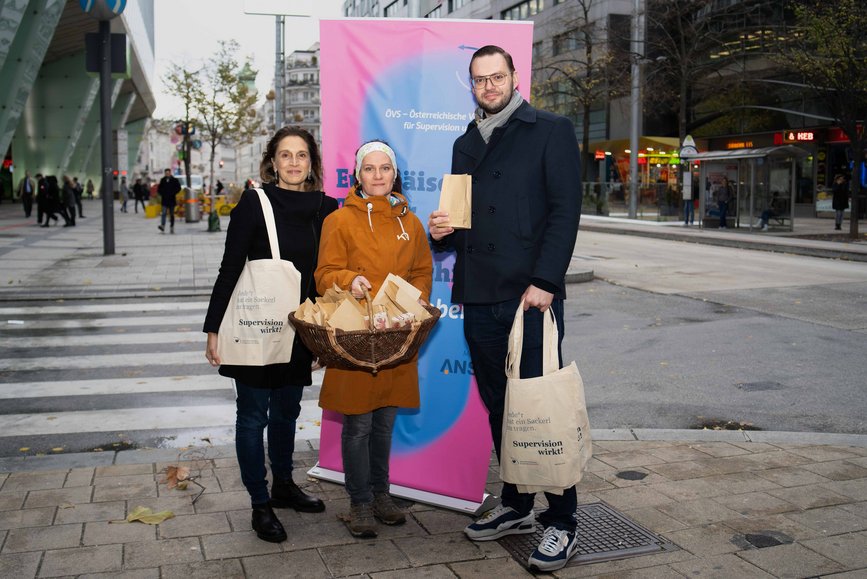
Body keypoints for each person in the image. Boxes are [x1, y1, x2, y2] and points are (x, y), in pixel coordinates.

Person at [428, 45, 582, 572]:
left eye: (497, 77)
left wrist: (545, 280)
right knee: (501, 407)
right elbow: (462, 225)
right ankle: (517, 504)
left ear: (515, 77)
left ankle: (562, 521)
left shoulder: (550, 129)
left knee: (542, 406)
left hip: (530, 297)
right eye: (479, 79)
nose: (489, 86)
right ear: (470, 85)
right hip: (479, 296)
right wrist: (442, 233)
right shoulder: (464, 143)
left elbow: (565, 211)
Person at [203, 126, 337, 544]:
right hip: (255, 326)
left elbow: (328, 275)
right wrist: (213, 327)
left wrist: (323, 334)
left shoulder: (327, 208)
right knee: (252, 415)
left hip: (299, 327)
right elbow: (230, 267)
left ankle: (283, 485)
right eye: (285, 155)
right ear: (272, 162)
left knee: (287, 412)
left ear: (312, 162)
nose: (294, 162)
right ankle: (259, 504)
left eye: (301, 155)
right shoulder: (253, 203)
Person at [315, 140, 433, 539]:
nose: (378, 175)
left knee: (384, 423)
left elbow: (422, 271)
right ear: (358, 174)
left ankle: (382, 494)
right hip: (355, 338)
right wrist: (350, 280)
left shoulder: (411, 223)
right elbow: (324, 274)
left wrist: (414, 302)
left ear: (394, 174)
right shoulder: (339, 221)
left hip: (395, 336)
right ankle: (359, 503)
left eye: (385, 168)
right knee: (358, 426)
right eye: (370, 168)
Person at [157, 169, 180, 233]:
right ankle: (162, 225)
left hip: (171, 199)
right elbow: (159, 189)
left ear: (170, 173)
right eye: (166, 173)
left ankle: (172, 226)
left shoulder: (174, 180)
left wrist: (173, 193)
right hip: (164, 199)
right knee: (163, 213)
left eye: (168, 173)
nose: (167, 174)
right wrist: (162, 193)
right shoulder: (163, 180)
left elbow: (178, 188)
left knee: (171, 214)